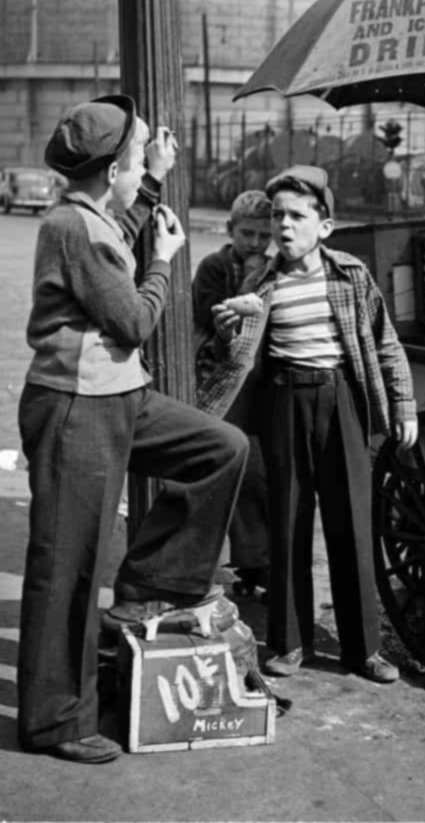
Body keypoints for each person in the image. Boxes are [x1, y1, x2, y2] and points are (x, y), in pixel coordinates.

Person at [17, 95, 248, 764]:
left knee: (220, 447)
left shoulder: (93, 214)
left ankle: (153, 586)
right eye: (139, 155)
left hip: (118, 395)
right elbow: (135, 320)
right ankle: (54, 721)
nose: (146, 162)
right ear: (113, 166)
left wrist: (155, 178)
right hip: (74, 406)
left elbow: (123, 218)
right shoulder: (75, 228)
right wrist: (165, 260)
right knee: (66, 566)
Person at [197, 165, 418, 684]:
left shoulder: (350, 275)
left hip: (340, 399)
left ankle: (364, 649)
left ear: (325, 226)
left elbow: (385, 343)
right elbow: (227, 357)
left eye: (298, 216)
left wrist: (404, 404)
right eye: (278, 216)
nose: (284, 226)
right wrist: (228, 332)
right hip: (282, 403)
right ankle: (289, 641)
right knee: (288, 522)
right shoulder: (259, 281)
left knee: (352, 525)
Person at [193, 189, 273, 597]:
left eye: (264, 235)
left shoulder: (275, 268)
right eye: (248, 234)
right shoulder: (213, 268)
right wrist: (248, 282)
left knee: (262, 476)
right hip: (225, 384)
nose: (256, 244)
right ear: (230, 230)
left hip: (263, 387)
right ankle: (247, 562)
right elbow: (209, 322)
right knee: (240, 472)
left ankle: (257, 562)